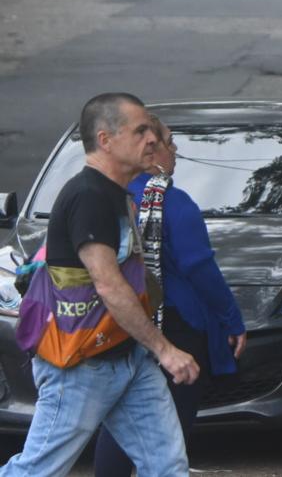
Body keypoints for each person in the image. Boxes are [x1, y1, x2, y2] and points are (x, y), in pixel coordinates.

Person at [3, 93, 199, 477]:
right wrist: (165, 350)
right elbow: (109, 285)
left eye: (151, 131)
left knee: (167, 467)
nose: (153, 140)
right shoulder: (88, 195)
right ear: (106, 140)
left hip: (126, 356)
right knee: (37, 470)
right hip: (81, 365)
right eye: (140, 130)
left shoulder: (116, 195)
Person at [94, 115, 248, 476]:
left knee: (121, 419)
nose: (174, 151)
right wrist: (231, 318)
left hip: (121, 325)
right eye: (169, 142)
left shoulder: (105, 196)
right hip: (176, 328)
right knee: (168, 429)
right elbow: (200, 269)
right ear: (149, 151)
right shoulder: (174, 203)